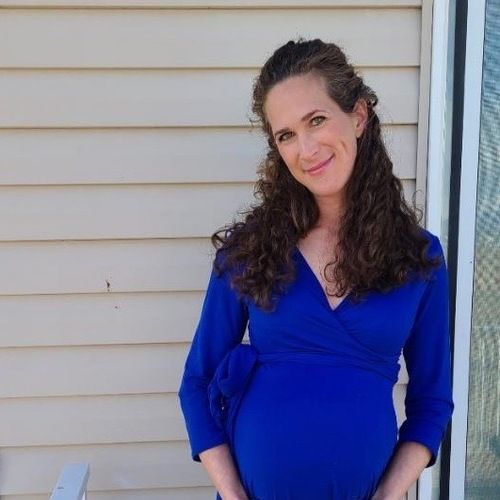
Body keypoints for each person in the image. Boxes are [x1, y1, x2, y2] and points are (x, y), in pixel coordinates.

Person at [178, 39, 454, 500]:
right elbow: (197, 384)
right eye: (285, 135)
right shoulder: (250, 249)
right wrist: (233, 496)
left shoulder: (418, 256)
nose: (306, 149)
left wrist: (386, 496)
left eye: (317, 120)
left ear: (358, 116)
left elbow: (432, 404)